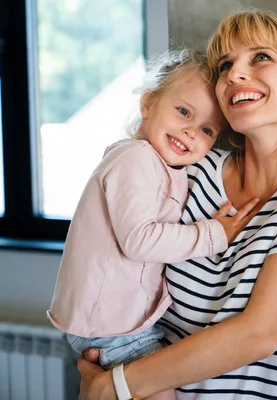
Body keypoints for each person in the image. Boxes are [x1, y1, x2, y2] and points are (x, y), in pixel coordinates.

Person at [77, 10, 277, 399]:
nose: (234, 74)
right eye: (225, 65)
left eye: (261, 57)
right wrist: (102, 358)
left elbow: (259, 334)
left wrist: (115, 386)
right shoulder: (193, 172)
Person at [47, 48, 258, 400]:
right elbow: (139, 240)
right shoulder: (135, 158)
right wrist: (214, 234)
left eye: (206, 129)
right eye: (183, 112)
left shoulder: (164, 166)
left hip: (116, 323)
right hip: (112, 327)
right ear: (148, 104)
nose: (190, 132)